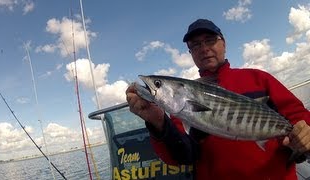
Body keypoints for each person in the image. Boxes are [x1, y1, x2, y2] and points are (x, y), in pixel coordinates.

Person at [126, 19, 310, 179]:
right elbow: (183, 156)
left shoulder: (259, 79)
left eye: (210, 40)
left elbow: (301, 118)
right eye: (195, 45)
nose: (204, 49)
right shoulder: (181, 110)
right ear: (190, 53)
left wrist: (305, 134)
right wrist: (158, 121)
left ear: (224, 43)